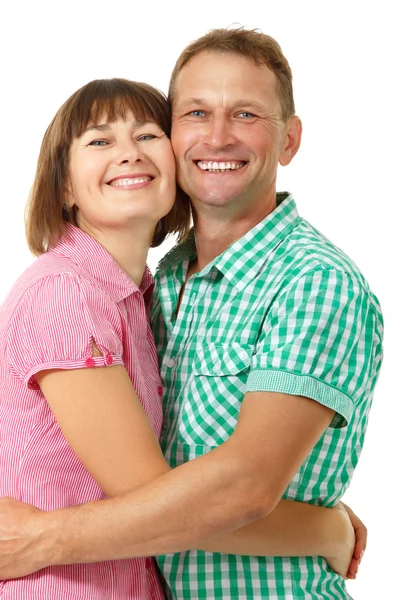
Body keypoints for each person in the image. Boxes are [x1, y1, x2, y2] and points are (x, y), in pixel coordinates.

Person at [0, 26, 381, 599]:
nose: (219, 136)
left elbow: (242, 489)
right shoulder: (142, 285)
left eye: (247, 115)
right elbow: (148, 491)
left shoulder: (315, 283)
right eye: (197, 112)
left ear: (290, 141)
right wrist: (320, 530)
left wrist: (46, 537)